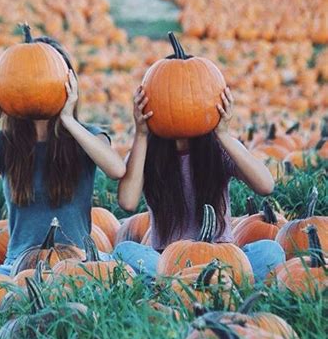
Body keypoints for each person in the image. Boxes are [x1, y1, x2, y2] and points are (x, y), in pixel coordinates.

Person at [0, 32, 126, 275]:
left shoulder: (86, 137)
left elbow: (116, 170)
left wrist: (68, 119)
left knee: (127, 255)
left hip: (76, 263)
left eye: (45, 75)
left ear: (68, 83)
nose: (36, 85)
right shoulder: (6, 144)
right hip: (20, 268)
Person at [113, 85, 285, 282]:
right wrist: (141, 134)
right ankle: (215, 284)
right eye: (170, 101)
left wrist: (223, 134)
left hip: (221, 257)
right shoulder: (147, 151)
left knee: (270, 251)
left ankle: (187, 284)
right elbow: (127, 202)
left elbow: (265, 185)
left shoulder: (218, 147)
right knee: (124, 251)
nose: (179, 108)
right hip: (168, 260)